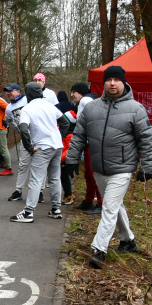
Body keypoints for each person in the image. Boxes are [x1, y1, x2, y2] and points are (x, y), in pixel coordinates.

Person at [64, 65, 152, 269]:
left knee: (109, 207)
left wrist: (147, 166)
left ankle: (99, 249)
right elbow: (79, 136)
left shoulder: (136, 109)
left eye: (117, 80)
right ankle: (128, 241)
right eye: (109, 80)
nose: (112, 83)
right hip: (99, 168)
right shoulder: (91, 108)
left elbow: (146, 140)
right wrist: (71, 159)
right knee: (115, 206)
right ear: (103, 83)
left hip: (122, 168)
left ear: (123, 82)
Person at [9, 82, 69, 222]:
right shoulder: (49, 105)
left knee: (36, 179)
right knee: (54, 178)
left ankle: (28, 212)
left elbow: (23, 128)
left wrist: (29, 148)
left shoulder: (27, 108)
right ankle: (56, 209)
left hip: (42, 147)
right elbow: (65, 123)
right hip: (56, 146)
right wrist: (58, 138)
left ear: (28, 94)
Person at [70, 83, 102, 213]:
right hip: (90, 142)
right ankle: (89, 200)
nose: (72, 95)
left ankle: (100, 203)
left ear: (81, 92)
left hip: (92, 143)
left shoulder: (85, 101)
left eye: (74, 92)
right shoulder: (89, 100)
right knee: (89, 173)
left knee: (94, 173)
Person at [4, 84, 32, 201]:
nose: (9, 93)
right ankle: (18, 191)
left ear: (18, 91)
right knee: (23, 165)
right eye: (7, 92)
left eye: (11, 91)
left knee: (38, 166)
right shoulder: (9, 108)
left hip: (37, 136)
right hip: (24, 139)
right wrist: (17, 129)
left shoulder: (27, 100)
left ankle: (39, 192)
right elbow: (9, 120)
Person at [56, 91, 78, 205]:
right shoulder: (67, 133)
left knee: (65, 178)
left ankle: (69, 195)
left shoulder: (69, 135)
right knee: (63, 177)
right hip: (63, 158)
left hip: (65, 160)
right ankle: (67, 194)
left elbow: (68, 149)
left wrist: (60, 158)